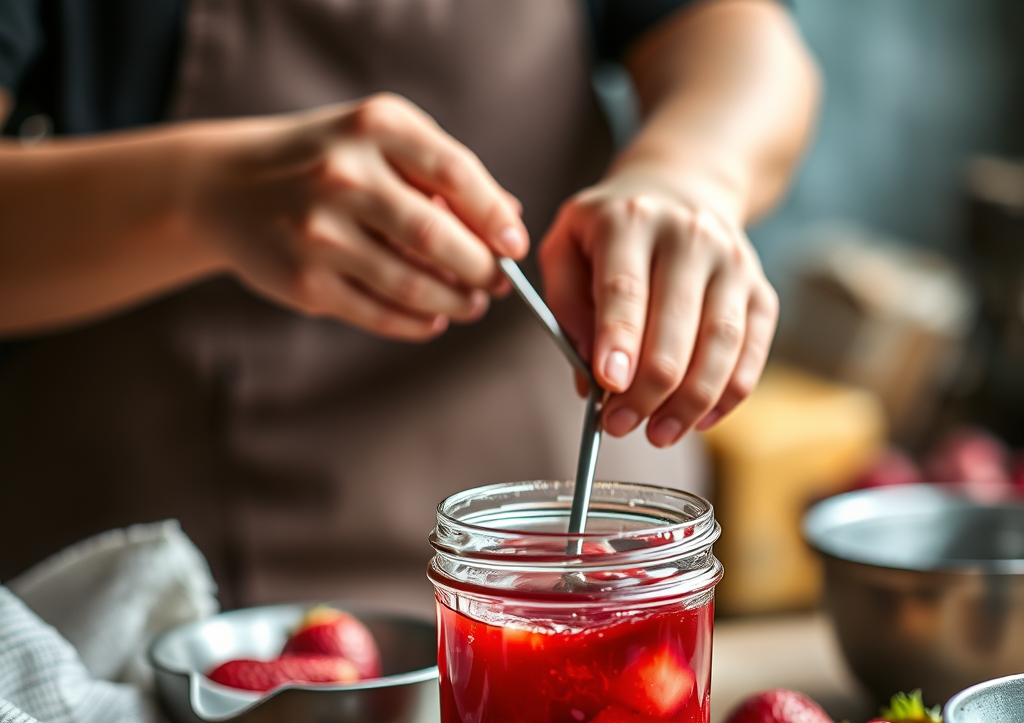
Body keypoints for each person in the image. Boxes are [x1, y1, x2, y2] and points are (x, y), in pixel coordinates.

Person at [0, 0, 819, 611]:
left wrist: (687, 177)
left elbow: (738, 35)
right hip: (153, 625)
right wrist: (201, 195)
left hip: (594, 585)